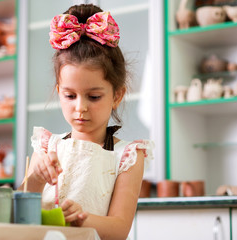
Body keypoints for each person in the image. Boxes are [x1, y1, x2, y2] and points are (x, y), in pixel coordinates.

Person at [18, 4, 154, 240]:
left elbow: (120, 229)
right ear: (59, 91)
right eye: (70, 96)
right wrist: (36, 181)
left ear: (117, 96)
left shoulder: (127, 156)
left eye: (93, 97)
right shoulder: (46, 146)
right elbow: (17, 215)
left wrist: (84, 218)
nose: (80, 108)